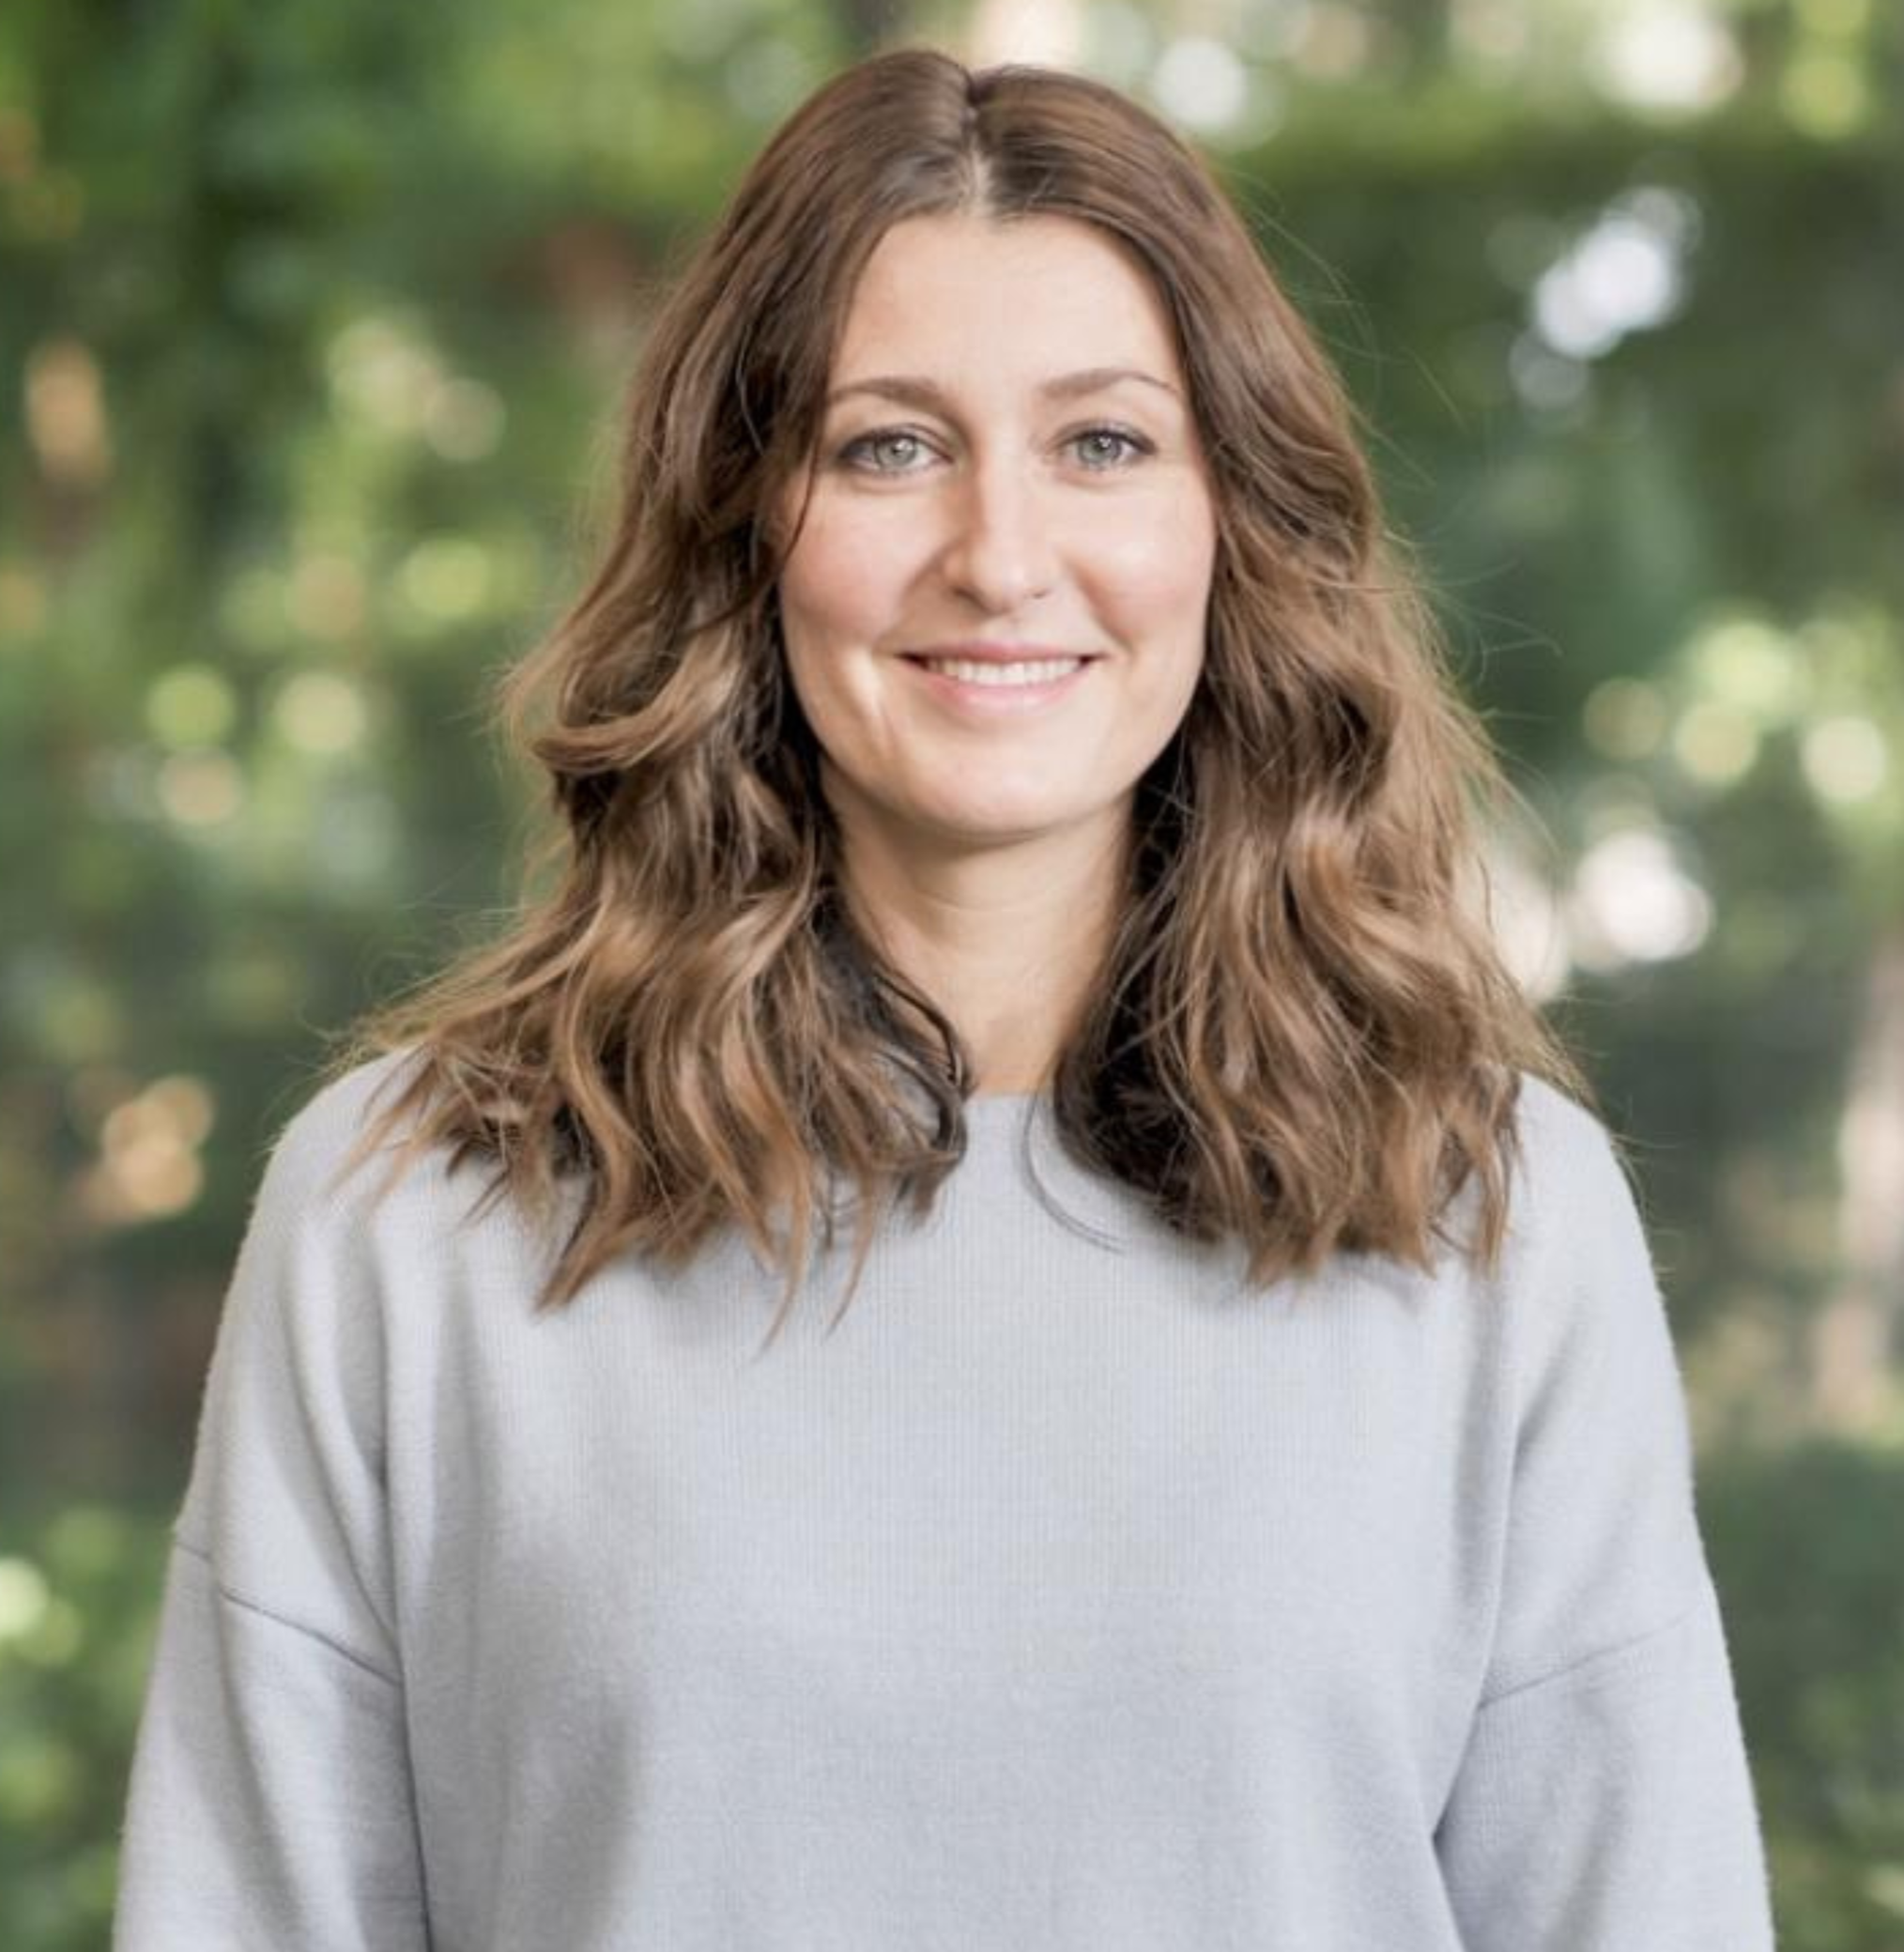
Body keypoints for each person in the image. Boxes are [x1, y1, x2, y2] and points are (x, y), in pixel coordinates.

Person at [112, 44, 1777, 1952]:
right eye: (890, 443)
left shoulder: (1489, 1210)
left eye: (1104, 443)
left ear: (1232, 524)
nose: (1001, 558)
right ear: (750, 521)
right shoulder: (410, 1215)